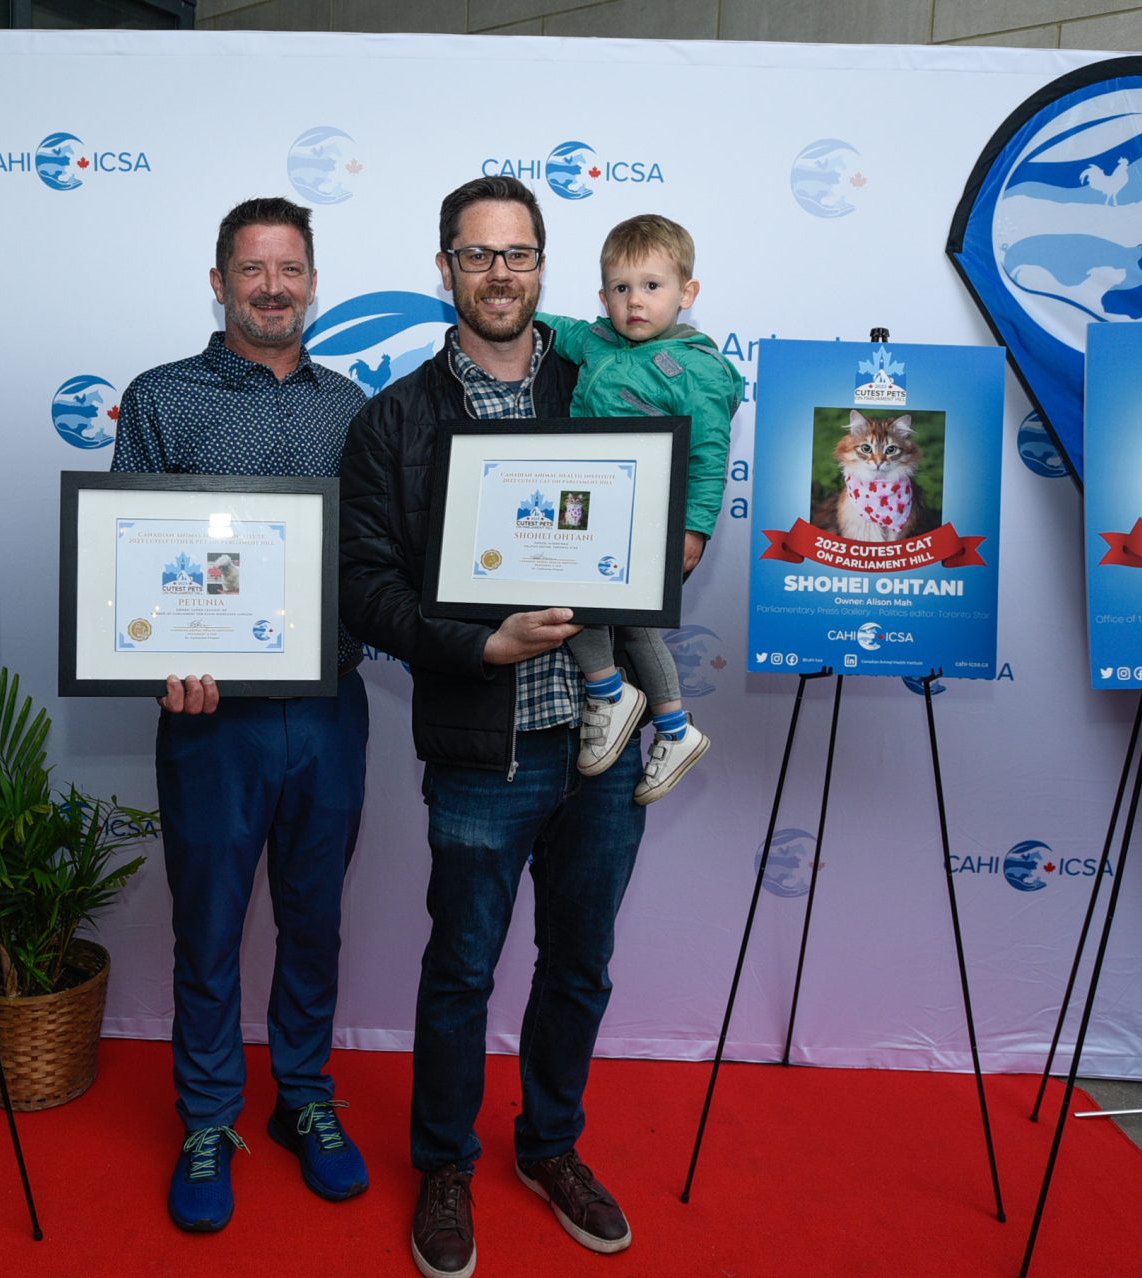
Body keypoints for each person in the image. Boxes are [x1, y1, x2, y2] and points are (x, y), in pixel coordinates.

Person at [340, 176, 646, 1278]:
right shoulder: (396, 422)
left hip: (603, 750)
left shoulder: (602, 384)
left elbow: (655, 509)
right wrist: (483, 645)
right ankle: (446, 1164)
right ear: (446, 270)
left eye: (519, 255)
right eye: (478, 255)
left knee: (580, 967)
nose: (499, 273)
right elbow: (364, 588)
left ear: (543, 268)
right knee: (462, 969)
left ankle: (550, 1147)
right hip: (483, 747)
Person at [113, 196, 371, 1233]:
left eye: (292, 269)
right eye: (253, 269)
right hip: (209, 718)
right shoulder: (162, 397)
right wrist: (162, 661)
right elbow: (128, 551)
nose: (274, 287)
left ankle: (305, 1097)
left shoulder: (352, 404)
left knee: (314, 919)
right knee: (209, 924)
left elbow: (372, 557)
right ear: (219, 282)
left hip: (327, 707)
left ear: (314, 281)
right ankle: (210, 1116)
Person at [538, 213, 741, 805]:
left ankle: (656, 718)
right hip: (584, 497)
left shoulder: (696, 368)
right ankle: (632, 704)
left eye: (652, 287)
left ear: (687, 293)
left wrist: (695, 528)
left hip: (647, 513)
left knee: (632, 619)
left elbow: (708, 453)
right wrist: (512, 309)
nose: (635, 302)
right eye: (621, 289)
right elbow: (549, 326)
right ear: (604, 296)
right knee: (557, 583)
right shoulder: (596, 340)